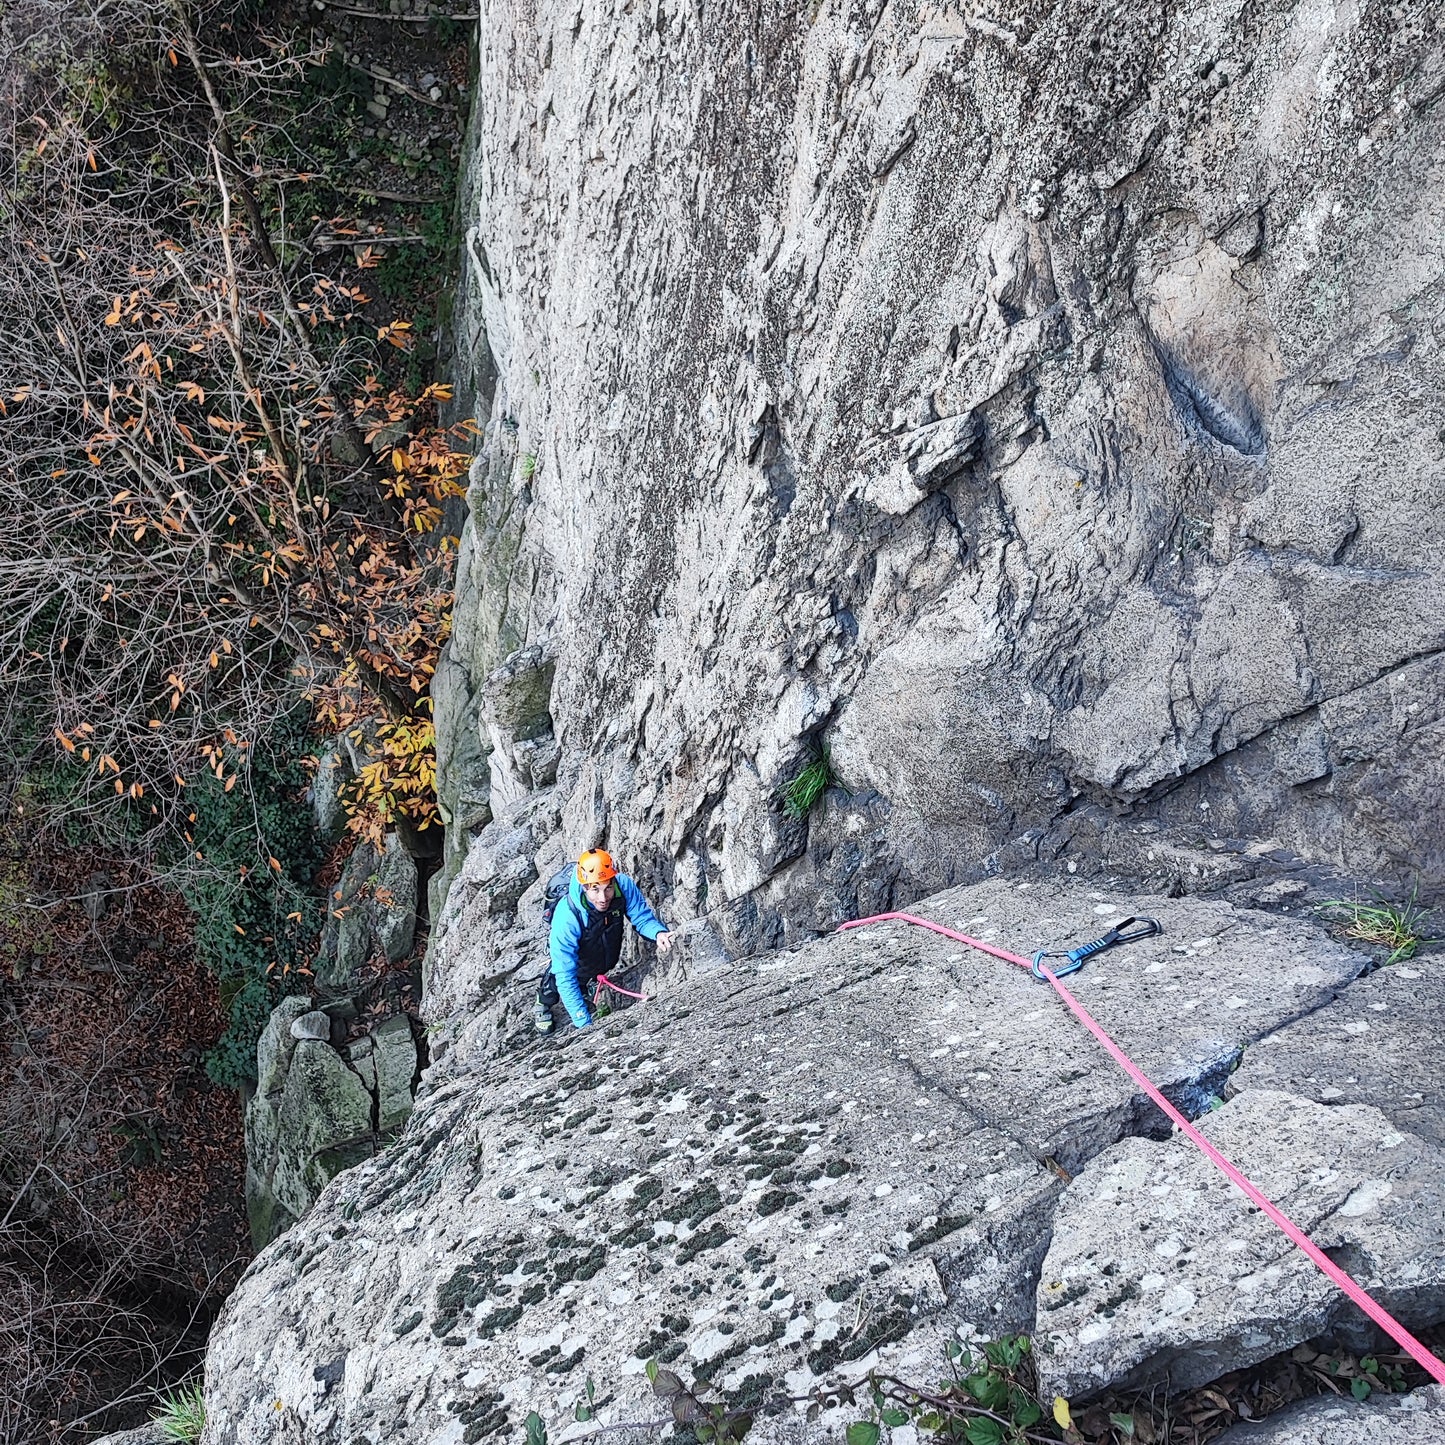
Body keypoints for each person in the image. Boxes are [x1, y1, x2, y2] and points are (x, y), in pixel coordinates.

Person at [533, 848, 673, 1034]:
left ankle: (582, 990)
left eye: (607, 887)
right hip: (579, 950)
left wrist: (658, 933)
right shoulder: (567, 916)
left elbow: (641, 918)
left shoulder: (622, 887)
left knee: (587, 972)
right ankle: (542, 1003)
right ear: (584, 887)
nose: (603, 898)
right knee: (563, 976)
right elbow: (565, 974)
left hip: (601, 949)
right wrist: (583, 1022)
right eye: (595, 889)